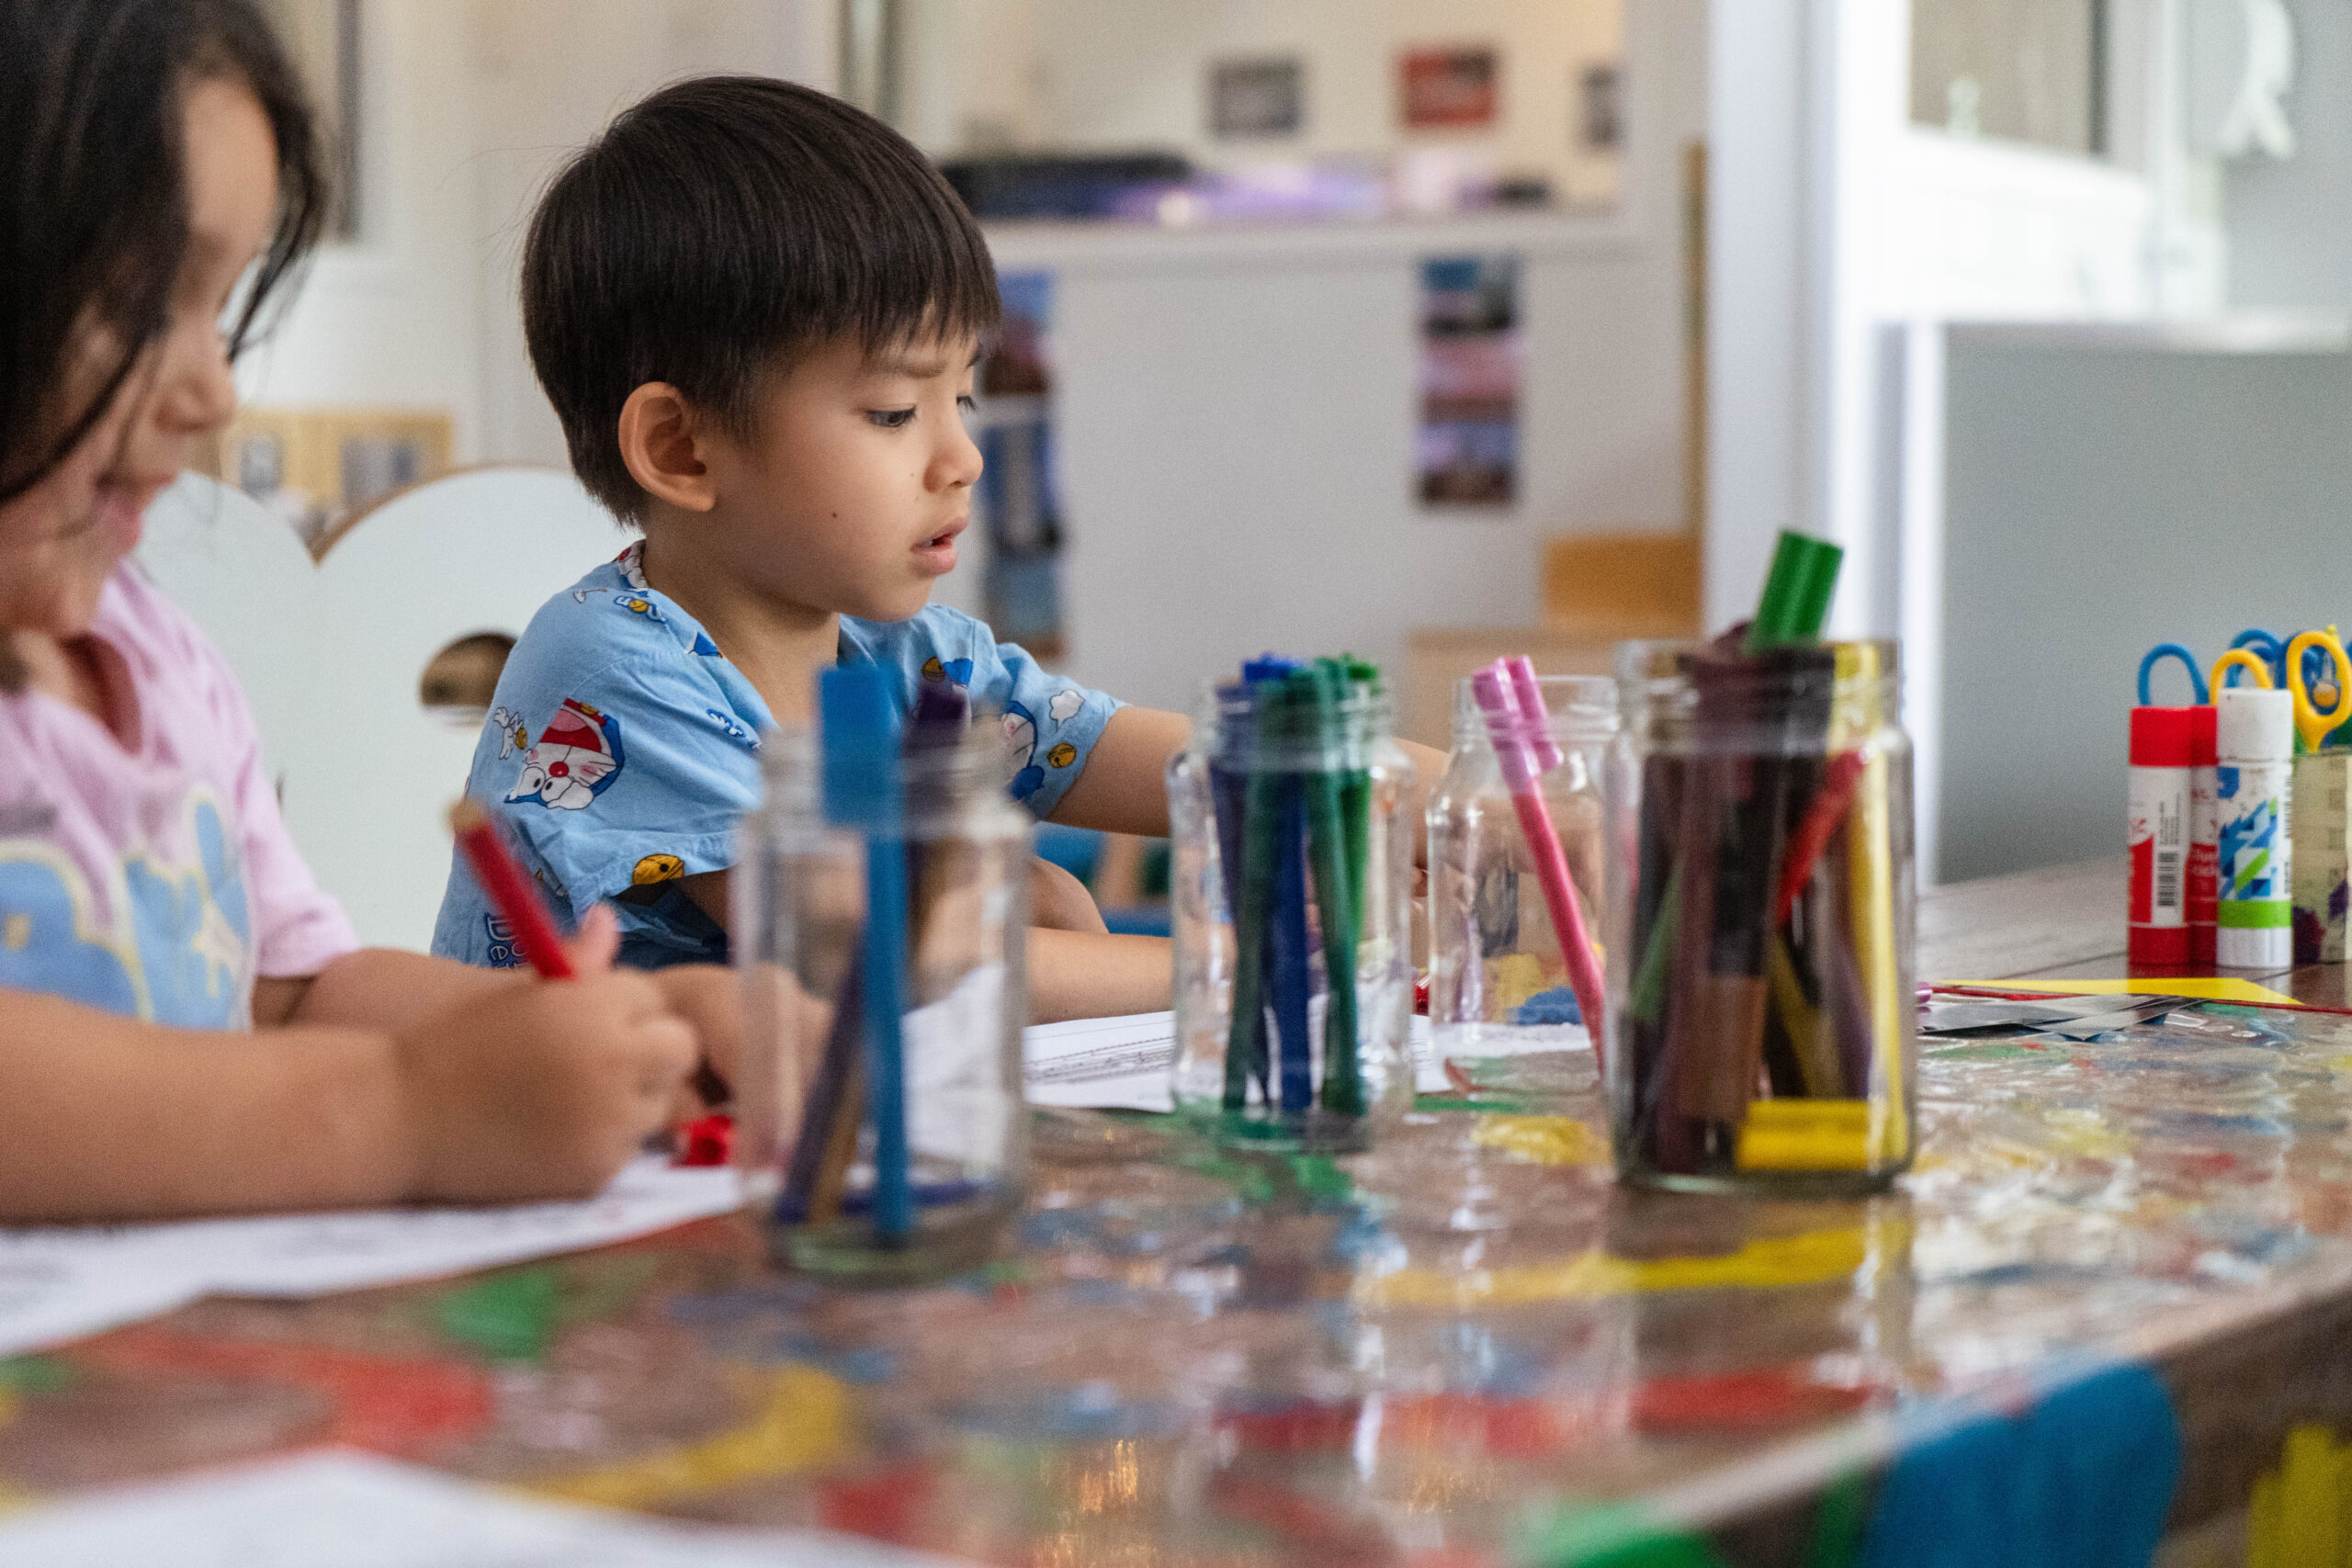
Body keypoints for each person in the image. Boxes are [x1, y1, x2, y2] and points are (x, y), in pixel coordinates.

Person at [431, 77, 1446, 1021]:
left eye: (960, 396)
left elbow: (1125, 751)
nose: (959, 455)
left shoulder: (906, 654)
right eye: (889, 411)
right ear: (681, 447)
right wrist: (1242, 962)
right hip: (603, 1190)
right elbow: (877, 947)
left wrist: (1398, 784)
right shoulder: (614, 672)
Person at [0, 0, 735, 1221]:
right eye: (141, 303)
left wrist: (644, 1031)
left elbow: (293, 990)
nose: (213, 390)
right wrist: (401, 1108)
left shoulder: (162, 658)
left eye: (220, 310)